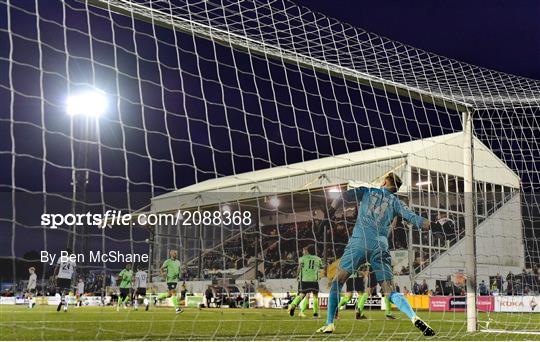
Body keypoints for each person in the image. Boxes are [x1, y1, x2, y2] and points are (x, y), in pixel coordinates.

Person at [317, 173, 435, 336]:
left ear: (385, 181)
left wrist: (329, 213)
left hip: (359, 242)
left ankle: (330, 323)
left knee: (337, 282)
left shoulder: (367, 191)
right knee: (390, 291)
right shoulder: (396, 202)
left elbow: (343, 196)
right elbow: (412, 218)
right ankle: (414, 317)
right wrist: (433, 226)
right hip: (380, 246)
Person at [287, 245, 323, 318]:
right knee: (315, 296)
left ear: (308, 251)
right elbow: (321, 268)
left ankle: (293, 305)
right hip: (314, 280)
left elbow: (299, 267)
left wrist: (297, 275)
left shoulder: (302, 258)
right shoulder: (318, 259)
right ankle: (315, 314)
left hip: (304, 279)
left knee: (302, 294)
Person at [157, 249, 183, 314]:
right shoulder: (167, 261)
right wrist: (162, 274)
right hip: (170, 280)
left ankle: (157, 298)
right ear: (171, 254)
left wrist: (180, 275)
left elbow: (179, 270)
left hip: (176, 280)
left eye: (176, 253)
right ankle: (177, 309)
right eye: (175, 253)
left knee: (169, 295)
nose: (176, 254)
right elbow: (161, 269)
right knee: (174, 293)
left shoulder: (178, 262)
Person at [54, 248, 76, 312]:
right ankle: (65, 307)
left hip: (60, 277)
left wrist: (54, 275)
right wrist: (74, 279)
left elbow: (56, 268)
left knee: (61, 292)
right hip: (68, 278)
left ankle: (62, 301)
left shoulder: (61, 258)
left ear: (65, 253)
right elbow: (74, 271)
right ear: (71, 253)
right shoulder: (72, 260)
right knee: (66, 293)